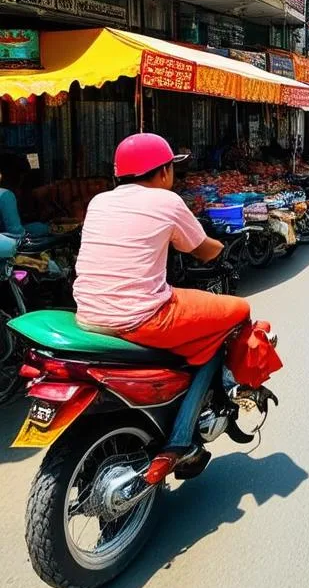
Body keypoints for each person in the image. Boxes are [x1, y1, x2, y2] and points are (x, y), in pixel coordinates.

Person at [73, 134, 253, 463]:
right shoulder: (166, 202)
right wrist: (222, 250)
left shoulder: (99, 202)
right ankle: (183, 440)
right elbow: (201, 249)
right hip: (142, 316)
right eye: (172, 169)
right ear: (164, 172)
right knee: (238, 311)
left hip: (88, 315)